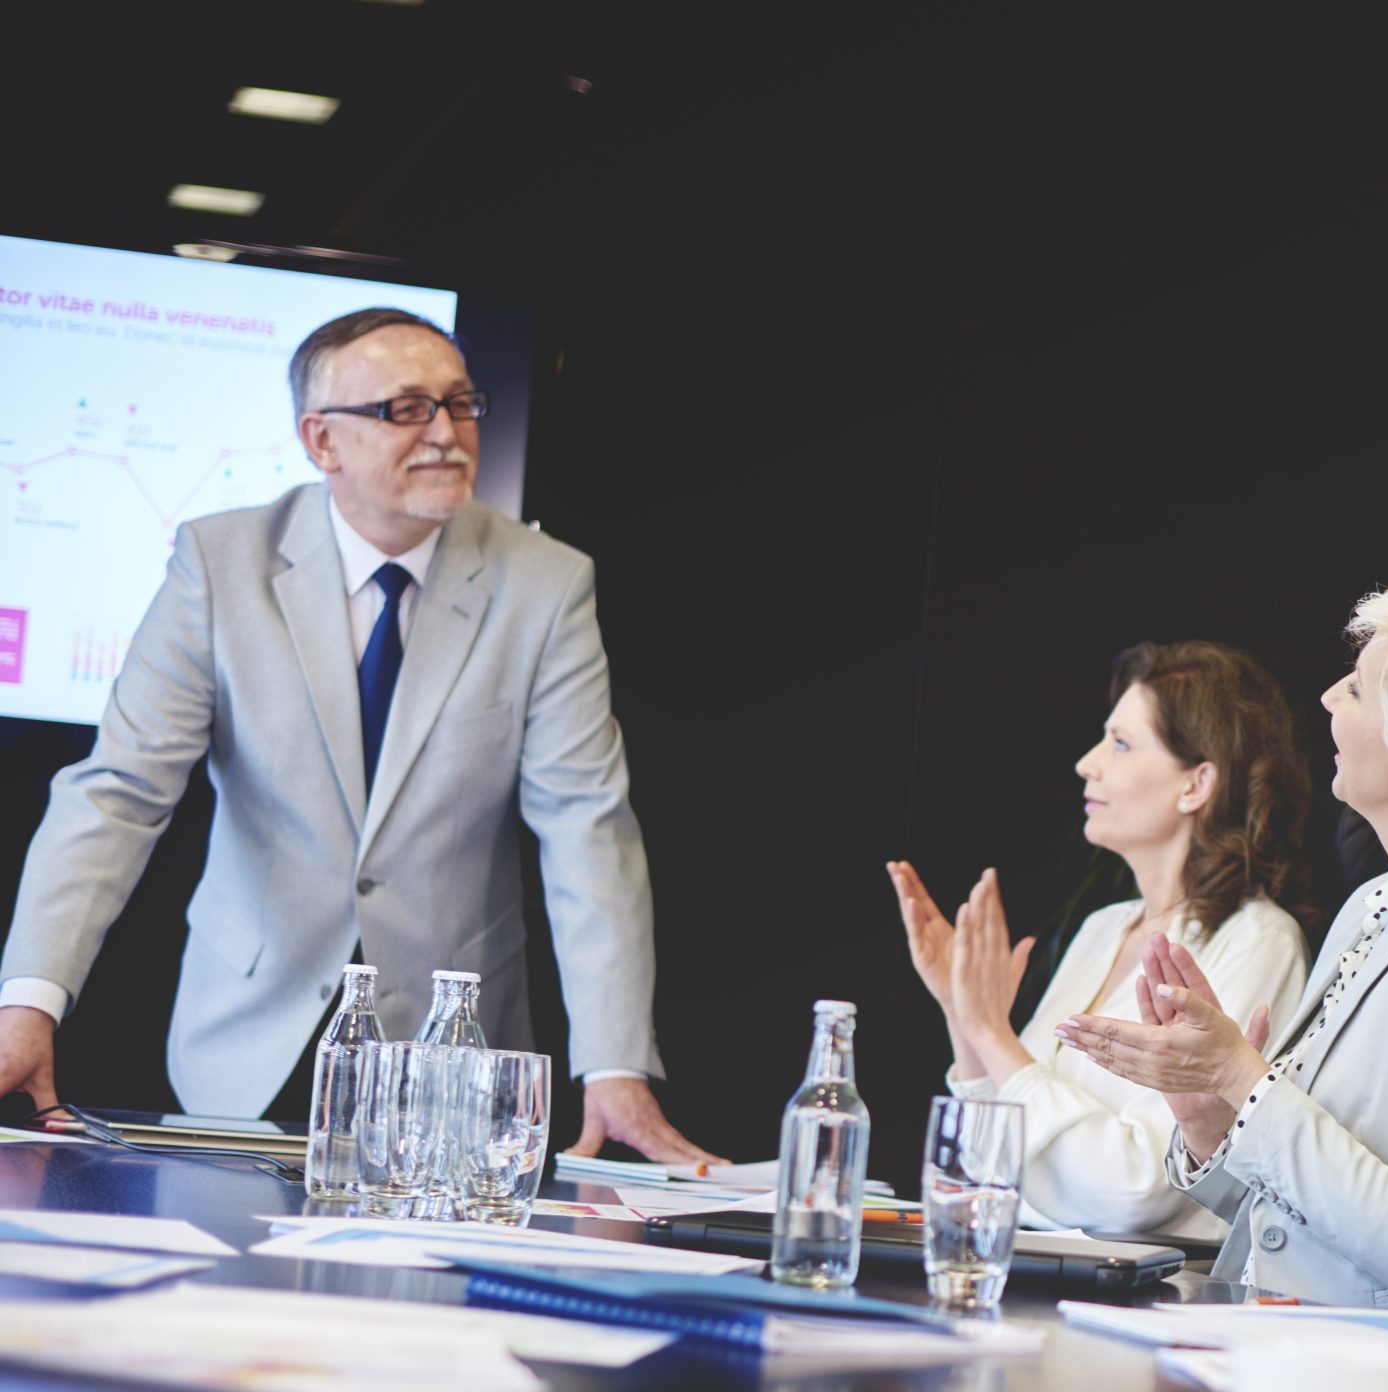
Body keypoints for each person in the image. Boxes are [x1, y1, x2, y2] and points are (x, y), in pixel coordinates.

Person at [0, 308, 712, 1162]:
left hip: (450, 1052)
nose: (446, 433)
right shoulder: (219, 564)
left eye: (459, 403)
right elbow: (117, 796)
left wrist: (613, 1065)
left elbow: (586, 828)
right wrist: (29, 1002)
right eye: (405, 409)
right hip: (246, 1032)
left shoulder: (546, 585)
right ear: (322, 441)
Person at [1053, 572, 1388, 1314]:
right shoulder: (1378, 900)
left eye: (1358, 689)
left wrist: (1245, 1080)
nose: (1330, 698)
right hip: (1307, 1351)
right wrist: (1208, 1118)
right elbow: (1298, 1211)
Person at [887, 641, 1311, 1240]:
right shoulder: (1103, 928)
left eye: (1120, 743)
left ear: (1197, 784)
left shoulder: (1258, 941)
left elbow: (1137, 1191)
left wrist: (990, 1030)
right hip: (1022, 1269)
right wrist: (963, 1015)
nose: (1088, 763)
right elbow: (981, 1167)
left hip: (1151, 1304)